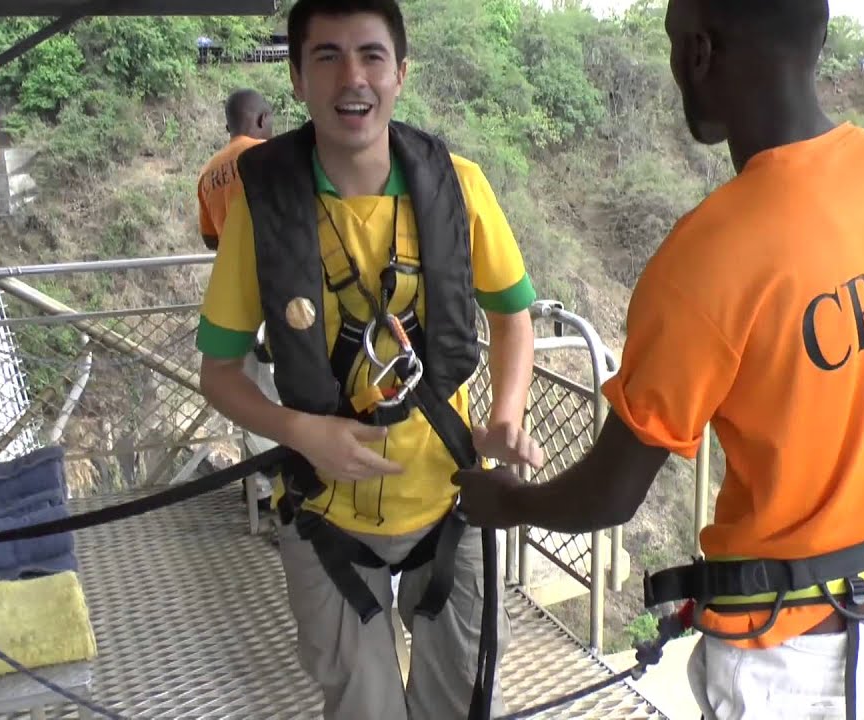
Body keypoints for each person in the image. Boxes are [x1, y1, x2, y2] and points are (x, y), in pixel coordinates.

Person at [452, 1, 864, 719]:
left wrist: (505, 502)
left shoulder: (708, 259)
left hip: (779, 663)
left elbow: (611, 493)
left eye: (675, 45)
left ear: (698, 52)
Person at [195, 1, 545, 718]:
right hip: (325, 514)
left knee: (460, 704)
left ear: (401, 73)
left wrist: (506, 416)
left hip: (452, 500)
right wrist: (302, 431)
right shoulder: (262, 209)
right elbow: (220, 373)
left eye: (371, 55)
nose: (351, 77)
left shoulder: (459, 187)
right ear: (295, 77)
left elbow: (512, 318)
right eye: (326, 56)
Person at [196, 88, 275, 251]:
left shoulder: (206, 173)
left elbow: (210, 240)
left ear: (228, 128)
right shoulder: (273, 154)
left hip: (234, 272)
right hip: (275, 269)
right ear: (262, 119)